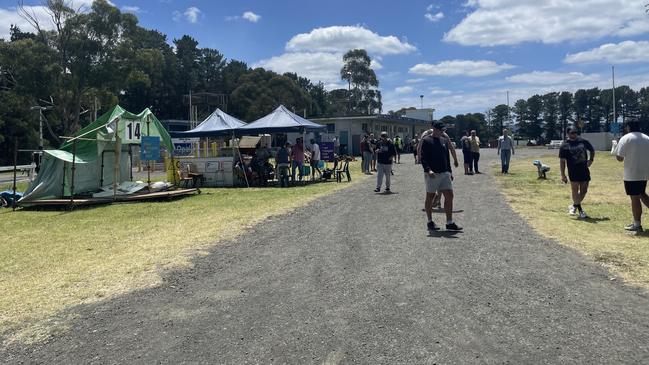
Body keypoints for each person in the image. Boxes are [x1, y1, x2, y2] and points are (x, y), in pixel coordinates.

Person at [420, 122, 462, 232]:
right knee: (430, 196)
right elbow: (423, 158)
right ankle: (430, 221)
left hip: (444, 173)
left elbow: (446, 158)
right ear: (434, 129)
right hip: (432, 174)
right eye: (440, 130)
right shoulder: (426, 140)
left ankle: (449, 222)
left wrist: (450, 171)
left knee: (449, 195)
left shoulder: (443, 140)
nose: (442, 132)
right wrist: (428, 170)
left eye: (443, 130)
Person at [615, 121, 649, 232]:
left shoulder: (625, 138)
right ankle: (637, 223)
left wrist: (615, 147)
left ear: (628, 127)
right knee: (642, 193)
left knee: (634, 197)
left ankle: (637, 224)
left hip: (632, 173)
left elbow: (619, 158)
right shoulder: (646, 138)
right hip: (644, 172)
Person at [559, 127, 595, 219]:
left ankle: (574, 205)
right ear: (567, 134)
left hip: (584, 169)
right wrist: (563, 174)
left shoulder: (583, 141)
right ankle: (580, 210)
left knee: (584, 190)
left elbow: (592, 150)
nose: (574, 134)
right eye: (572, 133)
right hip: (573, 171)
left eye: (575, 133)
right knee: (575, 190)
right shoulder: (564, 145)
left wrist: (590, 160)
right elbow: (562, 161)